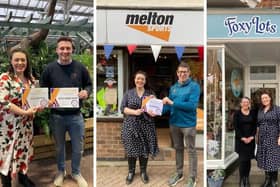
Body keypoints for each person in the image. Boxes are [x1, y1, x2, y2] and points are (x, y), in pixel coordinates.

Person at [40, 36, 92, 187]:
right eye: (62, 48)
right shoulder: (49, 69)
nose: (65, 51)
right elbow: (43, 88)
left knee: (78, 147)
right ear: (57, 50)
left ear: (72, 50)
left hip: (76, 116)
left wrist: (86, 93)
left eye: (68, 48)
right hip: (57, 116)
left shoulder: (80, 67)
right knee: (59, 147)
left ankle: (76, 172)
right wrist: (47, 100)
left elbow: (89, 85)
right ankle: (61, 171)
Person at [0, 48, 38, 187]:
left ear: (27, 62)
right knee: (7, 152)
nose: (20, 63)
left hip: (26, 126)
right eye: (17, 60)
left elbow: (35, 101)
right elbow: (4, 102)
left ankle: (23, 176)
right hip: (9, 125)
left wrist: (43, 104)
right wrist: (25, 113)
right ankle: (6, 181)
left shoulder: (31, 80)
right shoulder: (5, 78)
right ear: (11, 61)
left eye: (23, 60)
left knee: (24, 150)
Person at [163, 62, 200, 187]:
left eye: (185, 72)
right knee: (178, 149)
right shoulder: (173, 87)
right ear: (177, 73)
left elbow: (192, 106)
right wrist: (156, 110)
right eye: (180, 72)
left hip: (188, 124)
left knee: (191, 150)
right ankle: (179, 173)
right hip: (174, 123)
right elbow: (168, 107)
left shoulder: (194, 87)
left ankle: (192, 177)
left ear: (189, 73)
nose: (182, 74)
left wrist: (172, 103)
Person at [120, 70, 159, 185]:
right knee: (131, 149)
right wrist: (135, 112)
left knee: (144, 150)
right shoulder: (129, 93)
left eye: (142, 79)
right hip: (131, 125)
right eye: (138, 78)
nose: (140, 80)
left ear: (145, 81)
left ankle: (143, 172)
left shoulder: (150, 94)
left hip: (147, 125)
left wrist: (153, 112)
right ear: (134, 80)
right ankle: (131, 172)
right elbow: (123, 108)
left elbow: (156, 110)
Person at [256, 90, 280, 187]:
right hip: (262, 139)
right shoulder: (261, 110)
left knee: (273, 160)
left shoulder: (277, 109)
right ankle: (267, 180)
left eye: (266, 97)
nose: (264, 99)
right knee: (265, 159)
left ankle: (274, 182)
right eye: (262, 98)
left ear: (270, 98)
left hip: (273, 138)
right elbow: (258, 124)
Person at [233, 97, 257, 187]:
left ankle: (247, 179)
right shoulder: (237, 113)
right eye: (243, 102)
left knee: (248, 161)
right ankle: (242, 179)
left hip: (250, 140)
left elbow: (255, 126)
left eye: (247, 102)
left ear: (249, 103)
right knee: (242, 161)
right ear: (241, 104)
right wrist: (242, 138)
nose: (245, 104)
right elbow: (236, 127)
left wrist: (251, 137)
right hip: (240, 141)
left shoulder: (253, 113)